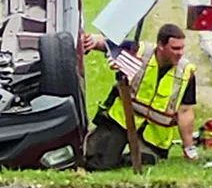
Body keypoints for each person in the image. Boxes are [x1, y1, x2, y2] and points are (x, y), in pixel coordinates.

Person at [79, 22, 199, 170]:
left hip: (153, 135)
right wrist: (93, 40)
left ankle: (126, 158)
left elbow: (185, 112)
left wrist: (189, 148)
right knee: (98, 162)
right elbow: (108, 45)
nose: (180, 53)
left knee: (140, 163)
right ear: (160, 45)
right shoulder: (139, 52)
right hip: (121, 121)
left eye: (182, 48)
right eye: (175, 48)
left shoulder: (186, 73)